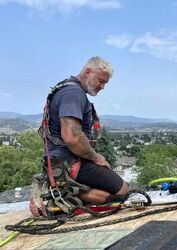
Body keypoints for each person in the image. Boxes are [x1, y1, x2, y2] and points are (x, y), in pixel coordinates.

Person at [43, 56, 128, 204]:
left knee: (110, 189)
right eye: (101, 81)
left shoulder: (67, 89)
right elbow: (72, 137)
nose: (102, 87)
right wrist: (97, 158)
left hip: (62, 162)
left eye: (105, 83)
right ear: (88, 72)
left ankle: (68, 191)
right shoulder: (73, 93)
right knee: (122, 192)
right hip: (68, 163)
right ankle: (62, 192)